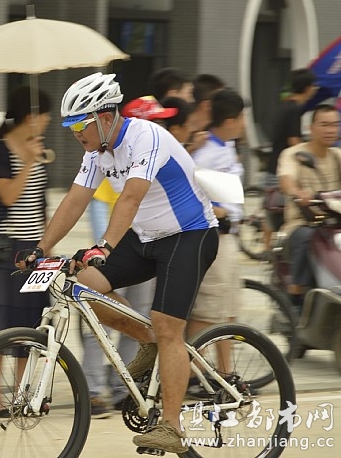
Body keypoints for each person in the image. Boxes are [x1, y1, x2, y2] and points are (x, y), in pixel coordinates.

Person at [17, 73, 218, 453]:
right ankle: (149, 342)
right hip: (145, 237)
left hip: (189, 235)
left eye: (80, 125)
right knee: (84, 287)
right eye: (71, 127)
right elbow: (75, 199)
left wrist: (104, 246)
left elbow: (130, 198)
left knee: (168, 326)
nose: (76, 134)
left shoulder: (146, 137)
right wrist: (40, 247)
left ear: (105, 117)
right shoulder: (97, 152)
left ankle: (172, 426)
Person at [80, 96, 174, 417]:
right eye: (154, 121)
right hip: (115, 252)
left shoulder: (155, 158)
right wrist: (104, 249)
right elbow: (97, 206)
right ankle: (92, 389)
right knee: (100, 317)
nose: (160, 128)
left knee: (137, 320)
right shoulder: (112, 159)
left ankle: (126, 387)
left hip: (147, 245)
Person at [0, 86, 51, 418]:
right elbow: (8, 196)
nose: (47, 123)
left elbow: (40, 202)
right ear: (31, 117)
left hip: (34, 249)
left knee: (29, 321)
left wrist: (47, 245)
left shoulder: (37, 149)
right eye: (45, 116)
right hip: (5, 249)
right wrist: (29, 162)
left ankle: (21, 394)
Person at [189, 89, 246, 372]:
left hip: (230, 236)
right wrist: (219, 210)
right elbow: (193, 193)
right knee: (208, 312)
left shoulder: (227, 145)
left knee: (228, 311)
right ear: (231, 120)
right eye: (242, 117)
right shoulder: (205, 152)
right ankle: (190, 373)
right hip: (215, 237)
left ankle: (226, 373)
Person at [276, 104, 341, 309]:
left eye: (335, 124)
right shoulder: (293, 154)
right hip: (302, 223)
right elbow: (286, 180)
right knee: (308, 237)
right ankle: (296, 295)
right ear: (311, 127)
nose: (330, 130)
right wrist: (297, 192)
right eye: (324, 124)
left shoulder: (337, 155)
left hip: (334, 225)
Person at [265, 68, 319, 243]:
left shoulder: (284, 106)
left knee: (270, 208)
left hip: (273, 165)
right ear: (308, 88)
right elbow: (294, 141)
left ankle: (267, 249)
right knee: (280, 209)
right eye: (314, 86)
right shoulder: (295, 110)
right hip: (283, 169)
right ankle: (274, 248)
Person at [187, 73, 225, 153]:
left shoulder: (213, 133)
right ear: (207, 105)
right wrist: (191, 149)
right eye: (221, 102)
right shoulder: (175, 130)